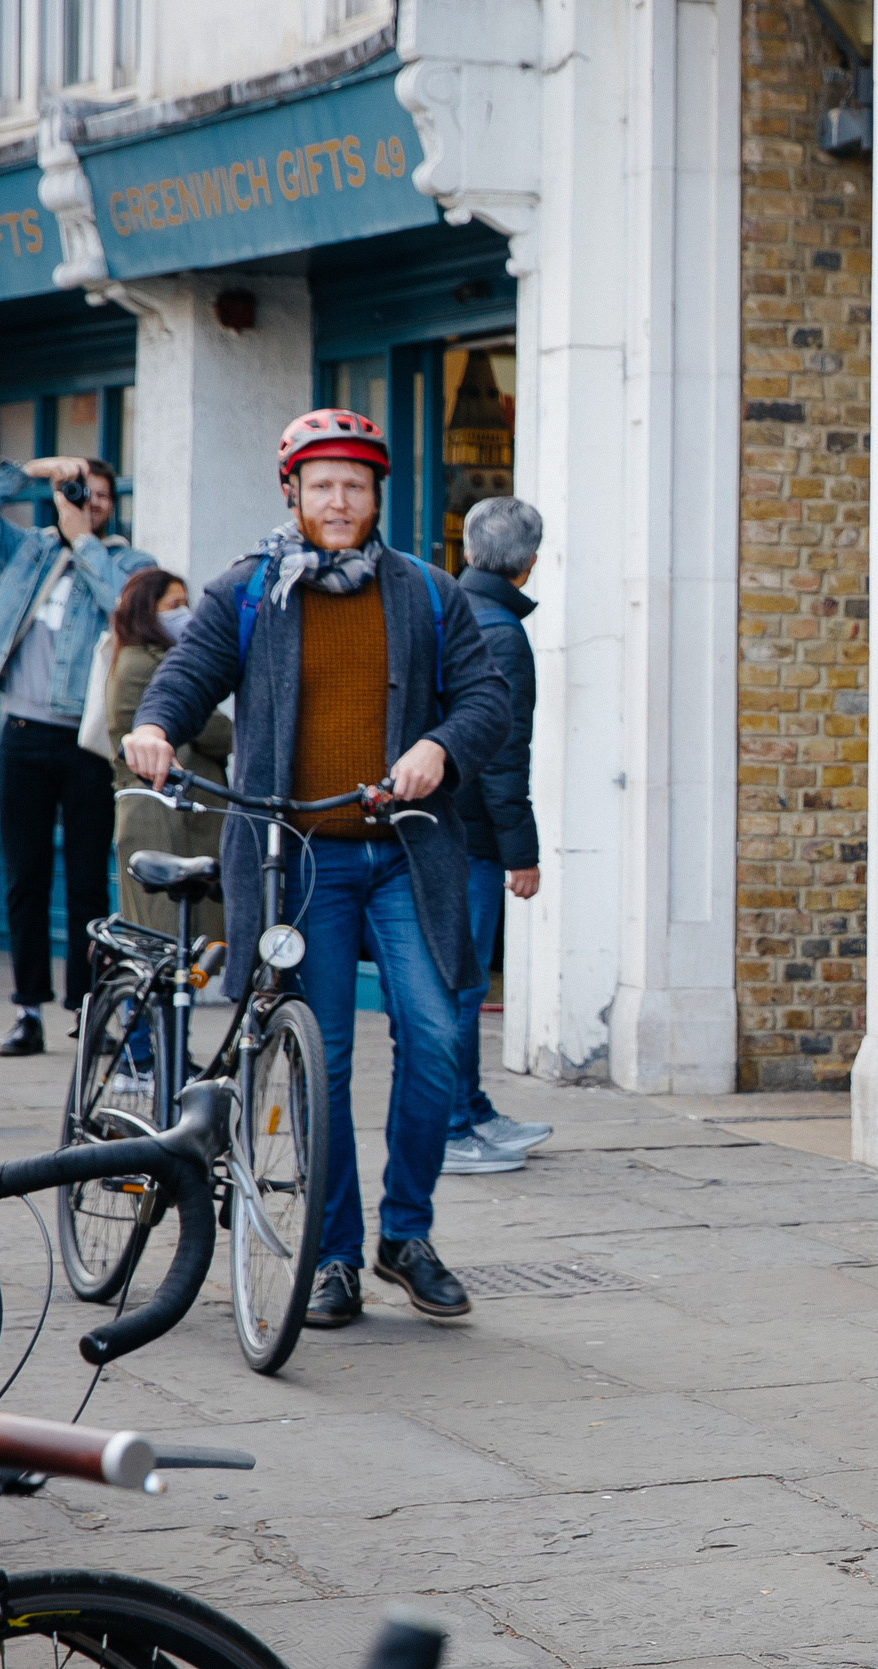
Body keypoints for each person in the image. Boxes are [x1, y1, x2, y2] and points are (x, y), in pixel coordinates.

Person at [126, 408, 510, 1329]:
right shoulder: (253, 590)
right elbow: (188, 677)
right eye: (323, 484)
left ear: (379, 495)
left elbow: (488, 698)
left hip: (405, 853)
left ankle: (405, 1236)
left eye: (357, 485)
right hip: (298, 859)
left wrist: (440, 747)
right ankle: (333, 1255)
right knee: (321, 1057)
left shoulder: (425, 592)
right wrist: (154, 725)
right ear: (292, 491)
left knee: (438, 1037)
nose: (340, 501)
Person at [0, 453, 149, 1057]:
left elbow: (127, 608)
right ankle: (27, 1010)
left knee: (89, 880)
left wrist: (86, 543)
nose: (84, 501)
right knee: (25, 877)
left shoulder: (128, 561)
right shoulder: (28, 550)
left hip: (89, 739)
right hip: (22, 730)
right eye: (75, 491)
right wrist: (33, 471)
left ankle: (88, 1010)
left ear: (111, 503)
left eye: (95, 494)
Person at [443, 497, 549, 1173]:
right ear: (530, 563)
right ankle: (452, 1127)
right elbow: (503, 752)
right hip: (471, 834)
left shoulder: (448, 608)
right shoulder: (501, 632)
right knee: (460, 983)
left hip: (441, 821)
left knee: (462, 978)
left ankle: (472, 1108)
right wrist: (522, 852)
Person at [105, 570, 230, 945]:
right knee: (163, 938)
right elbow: (219, 732)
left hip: (167, 812)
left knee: (166, 937)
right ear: (147, 611)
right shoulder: (148, 663)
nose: (185, 614)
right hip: (163, 817)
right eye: (173, 606)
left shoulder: (141, 656)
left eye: (186, 603)